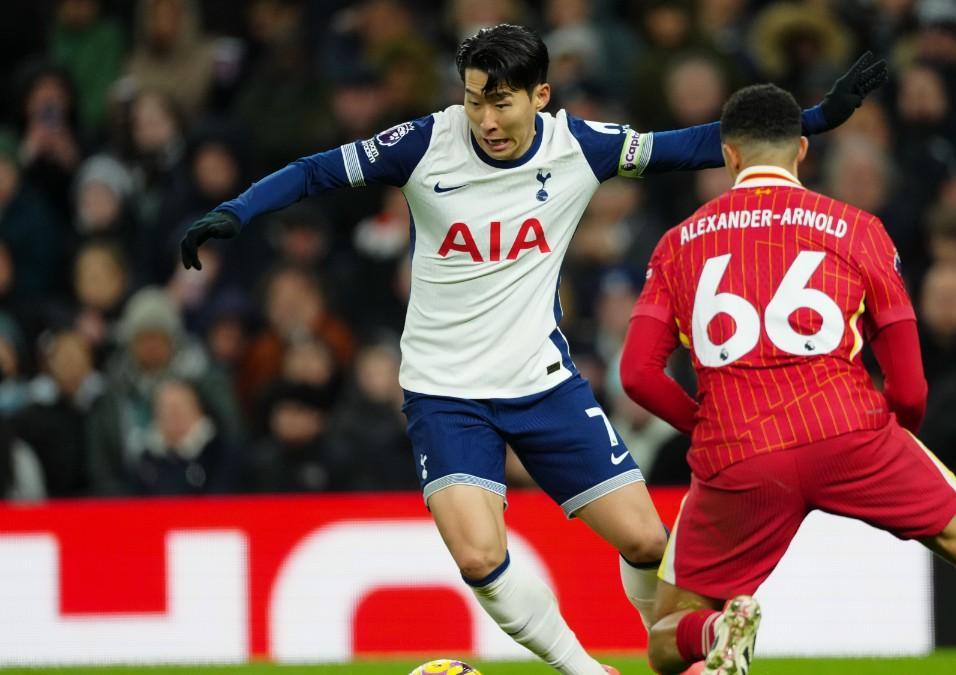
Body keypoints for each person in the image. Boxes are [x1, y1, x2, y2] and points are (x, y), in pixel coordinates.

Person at [179, 24, 886, 674]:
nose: (485, 119)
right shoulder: (423, 143)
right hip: (445, 390)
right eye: (474, 100)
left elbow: (694, 145)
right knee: (481, 552)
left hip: (544, 382)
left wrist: (817, 119)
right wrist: (235, 211)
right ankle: (585, 671)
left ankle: (671, 651)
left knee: (647, 542)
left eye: (503, 102)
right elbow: (313, 171)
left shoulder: (579, 146)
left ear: (541, 96)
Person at [620, 84, 956, 675]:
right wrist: (891, 445)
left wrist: (706, 424)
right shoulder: (858, 228)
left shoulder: (677, 244)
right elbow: (910, 386)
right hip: (847, 429)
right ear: (803, 149)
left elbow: (636, 374)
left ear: (728, 154)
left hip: (738, 450)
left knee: (665, 635)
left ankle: (718, 628)